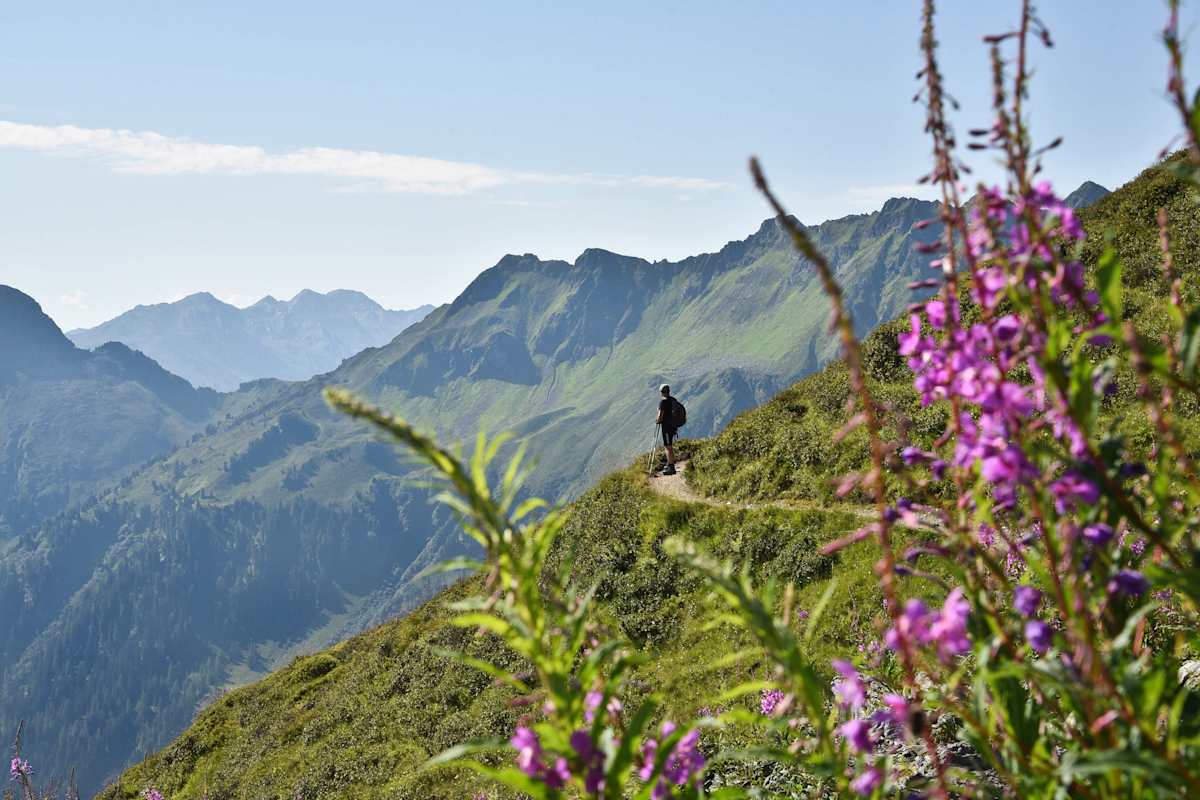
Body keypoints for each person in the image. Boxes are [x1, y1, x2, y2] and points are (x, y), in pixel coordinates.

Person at [656, 383, 678, 475]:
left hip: (666, 427)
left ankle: (671, 467)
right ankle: (670, 463)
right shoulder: (673, 400)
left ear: (661, 392)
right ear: (668, 391)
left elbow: (660, 416)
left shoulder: (663, 402)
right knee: (670, 446)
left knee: (667, 446)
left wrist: (657, 420)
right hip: (673, 426)